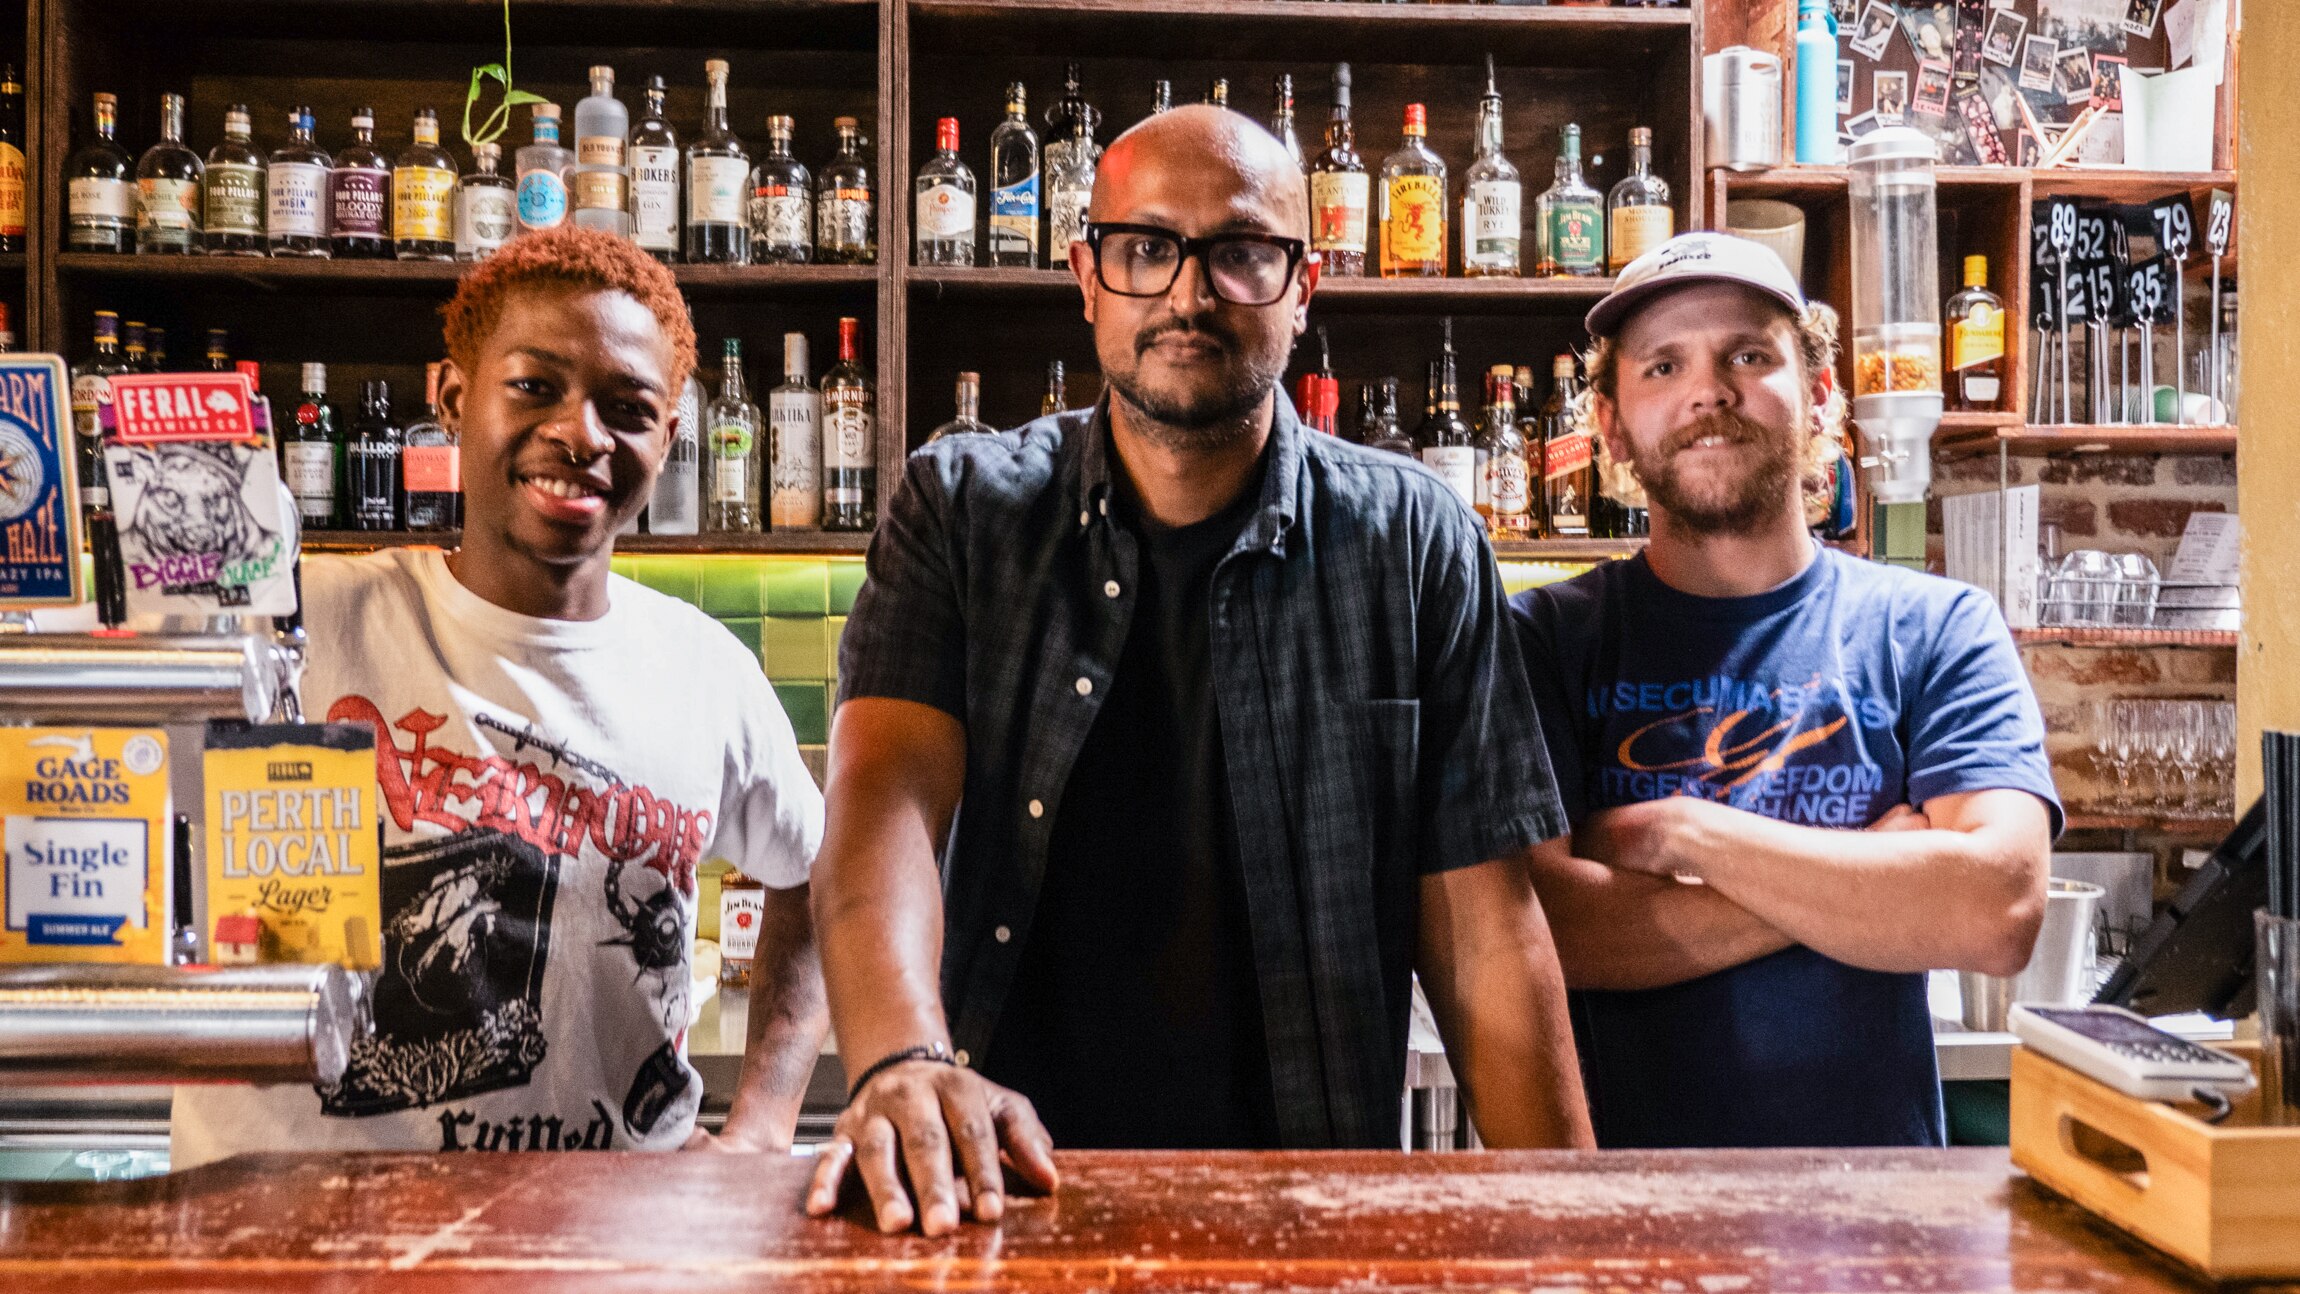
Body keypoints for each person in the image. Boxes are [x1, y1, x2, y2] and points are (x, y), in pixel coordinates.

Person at [807, 104, 1592, 1236]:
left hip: (1309, 1212)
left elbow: (1483, 933)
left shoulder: (1412, 539)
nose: (1187, 293)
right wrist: (902, 1057)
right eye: (1144, 250)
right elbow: (881, 802)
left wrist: (1573, 1225)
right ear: (1085, 276)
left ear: (1301, 285)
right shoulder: (963, 509)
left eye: (1238, 252)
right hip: (997, 1197)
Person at [171, 227, 827, 1164]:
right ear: (452, 397)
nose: (581, 433)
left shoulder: (705, 670)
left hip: (606, 1253)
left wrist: (761, 1124)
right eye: (534, 385)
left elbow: (817, 870)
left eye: (627, 406)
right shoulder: (293, 627)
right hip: (302, 1250)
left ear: (669, 438)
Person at [1510, 231, 2061, 1150]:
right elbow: (1542, 931)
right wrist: (1872, 883)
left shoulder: (1934, 628)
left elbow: (1996, 909)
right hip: (1621, 1228)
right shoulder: (1547, 643)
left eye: (1750, 355)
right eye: (1662, 365)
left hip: (1873, 1234)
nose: (1708, 390)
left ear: (1820, 395)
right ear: (1609, 424)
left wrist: (1688, 834)